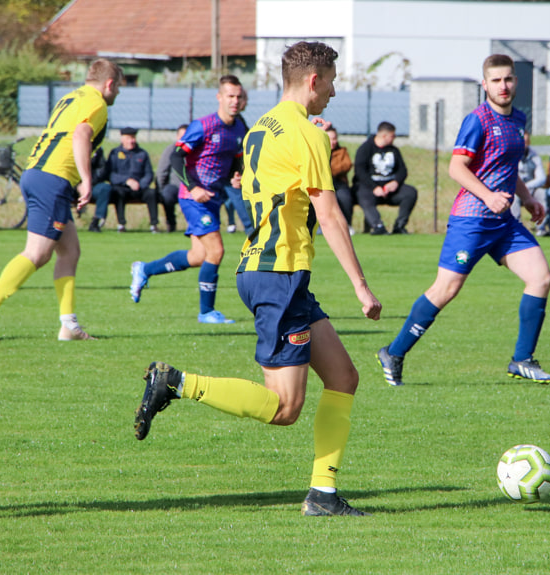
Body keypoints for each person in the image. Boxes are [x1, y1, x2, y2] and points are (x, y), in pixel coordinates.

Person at [132, 41, 381, 517]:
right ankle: (177, 382)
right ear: (313, 80)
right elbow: (329, 215)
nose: (333, 90)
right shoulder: (306, 134)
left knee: (344, 377)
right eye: (331, 80)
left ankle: (323, 496)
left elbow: (255, 187)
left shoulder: (260, 127)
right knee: (284, 407)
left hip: (268, 269)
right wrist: (361, 285)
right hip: (277, 274)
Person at [377, 54, 550, 387]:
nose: (504, 86)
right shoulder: (478, 119)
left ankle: (522, 360)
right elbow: (456, 167)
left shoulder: (518, 119)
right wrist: (488, 196)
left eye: (509, 79)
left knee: (541, 278)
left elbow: (507, 167)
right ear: (485, 84)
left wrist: (528, 197)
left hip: (503, 223)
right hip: (472, 220)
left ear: (516, 82)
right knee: (446, 289)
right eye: (497, 80)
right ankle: (394, 352)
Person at [0, 58, 124, 341]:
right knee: (37, 253)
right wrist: (87, 179)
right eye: (119, 88)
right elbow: (81, 135)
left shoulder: (70, 97)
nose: (118, 94)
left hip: (39, 173)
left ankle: (68, 324)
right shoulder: (97, 102)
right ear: (109, 84)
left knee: (69, 251)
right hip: (53, 179)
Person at [129, 75, 246, 324]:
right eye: (230, 96)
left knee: (198, 257)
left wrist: (237, 176)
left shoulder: (239, 127)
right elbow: (176, 157)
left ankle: (144, 269)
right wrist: (193, 187)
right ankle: (206, 313)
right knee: (217, 251)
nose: (235, 101)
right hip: (193, 198)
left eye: (239, 96)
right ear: (219, 97)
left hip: (213, 197)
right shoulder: (203, 125)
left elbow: (235, 158)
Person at [87, 127, 158, 233]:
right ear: (122, 139)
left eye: (133, 138)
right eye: (129, 138)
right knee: (118, 193)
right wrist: (126, 181)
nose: (132, 141)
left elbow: (149, 174)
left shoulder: (142, 153)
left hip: (140, 187)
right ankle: (121, 224)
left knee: (151, 193)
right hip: (122, 187)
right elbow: (110, 174)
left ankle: (154, 225)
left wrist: (141, 184)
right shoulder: (115, 153)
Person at [353, 121, 418, 235]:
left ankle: (399, 225)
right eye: (392, 136)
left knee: (410, 192)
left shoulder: (393, 150)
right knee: (363, 195)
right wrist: (374, 188)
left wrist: (395, 182)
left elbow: (402, 170)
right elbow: (360, 172)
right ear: (384, 135)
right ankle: (377, 226)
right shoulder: (365, 149)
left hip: (390, 190)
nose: (394, 138)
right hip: (371, 189)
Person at [222, 88, 253, 234]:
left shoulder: (239, 122)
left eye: (240, 98)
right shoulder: (231, 123)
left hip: (233, 175)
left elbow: (243, 151)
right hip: (224, 177)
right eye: (233, 97)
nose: (239, 101)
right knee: (249, 221)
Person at [512, 132, 547, 235]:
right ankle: (516, 227)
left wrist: (525, 187)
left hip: (531, 188)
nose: (524, 144)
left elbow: (541, 178)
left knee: (542, 193)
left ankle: (541, 228)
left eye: (526, 142)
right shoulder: (511, 155)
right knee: (514, 196)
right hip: (515, 189)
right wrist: (520, 189)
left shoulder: (534, 156)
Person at [155, 124, 187, 233]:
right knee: (167, 194)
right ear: (177, 136)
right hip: (175, 186)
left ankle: (195, 225)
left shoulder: (196, 150)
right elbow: (161, 171)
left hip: (192, 186)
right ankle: (171, 223)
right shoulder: (170, 150)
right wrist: (161, 189)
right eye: (181, 135)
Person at [328, 126, 356, 231]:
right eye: (330, 139)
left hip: (338, 183)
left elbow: (346, 165)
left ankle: (347, 225)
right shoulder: (317, 151)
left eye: (334, 138)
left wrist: (328, 171)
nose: (333, 142)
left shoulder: (342, 152)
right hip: (322, 184)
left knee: (345, 198)